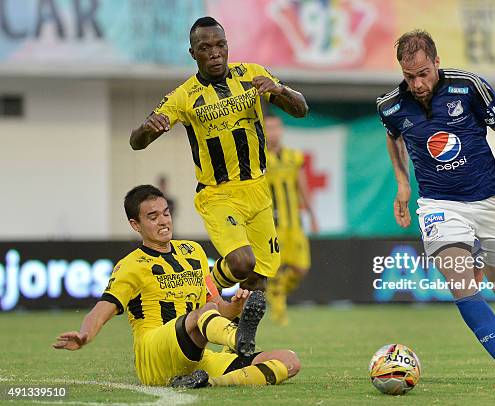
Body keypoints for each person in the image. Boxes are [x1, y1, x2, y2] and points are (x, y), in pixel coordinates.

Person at [377, 30, 495, 388]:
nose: (416, 83)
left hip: (489, 197)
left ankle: (479, 254)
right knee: (460, 283)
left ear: (436, 62)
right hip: (438, 204)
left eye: (423, 73)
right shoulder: (390, 106)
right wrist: (403, 185)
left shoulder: (469, 86)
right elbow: (393, 138)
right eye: (409, 76)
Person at [129, 17, 308, 302]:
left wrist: (280, 90)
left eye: (220, 44)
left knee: (258, 276)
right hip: (218, 193)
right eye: (205, 47)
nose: (214, 52)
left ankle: (241, 341)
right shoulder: (183, 96)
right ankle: (202, 287)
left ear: (227, 46)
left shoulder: (252, 74)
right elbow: (136, 142)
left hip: (258, 188)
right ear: (193, 53)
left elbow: (301, 109)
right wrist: (146, 129)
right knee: (241, 262)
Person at [53, 185, 300, 388]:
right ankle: (238, 337)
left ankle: (210, 383)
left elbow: (215, 307)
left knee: (288, 362)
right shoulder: (131, 265)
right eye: (152, 217)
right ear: (135, 225)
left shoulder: (193, 252)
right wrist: (85, 334)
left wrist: (235, 309)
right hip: (154, 355)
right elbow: (102, 308)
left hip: (196, 357)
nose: (163, 221)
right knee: (202, 316)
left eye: (166, 213)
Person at [264, 112, 318, 325]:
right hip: (272, 223)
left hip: (294, 222)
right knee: (275, 267)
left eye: (276, 128)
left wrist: (313, 215)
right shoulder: (258, 159)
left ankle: (277, 292)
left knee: (301, 268)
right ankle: (279, 309)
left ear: (281, 130)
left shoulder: (293, 157)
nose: (273, 133)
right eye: (268, 128)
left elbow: (302, 185)